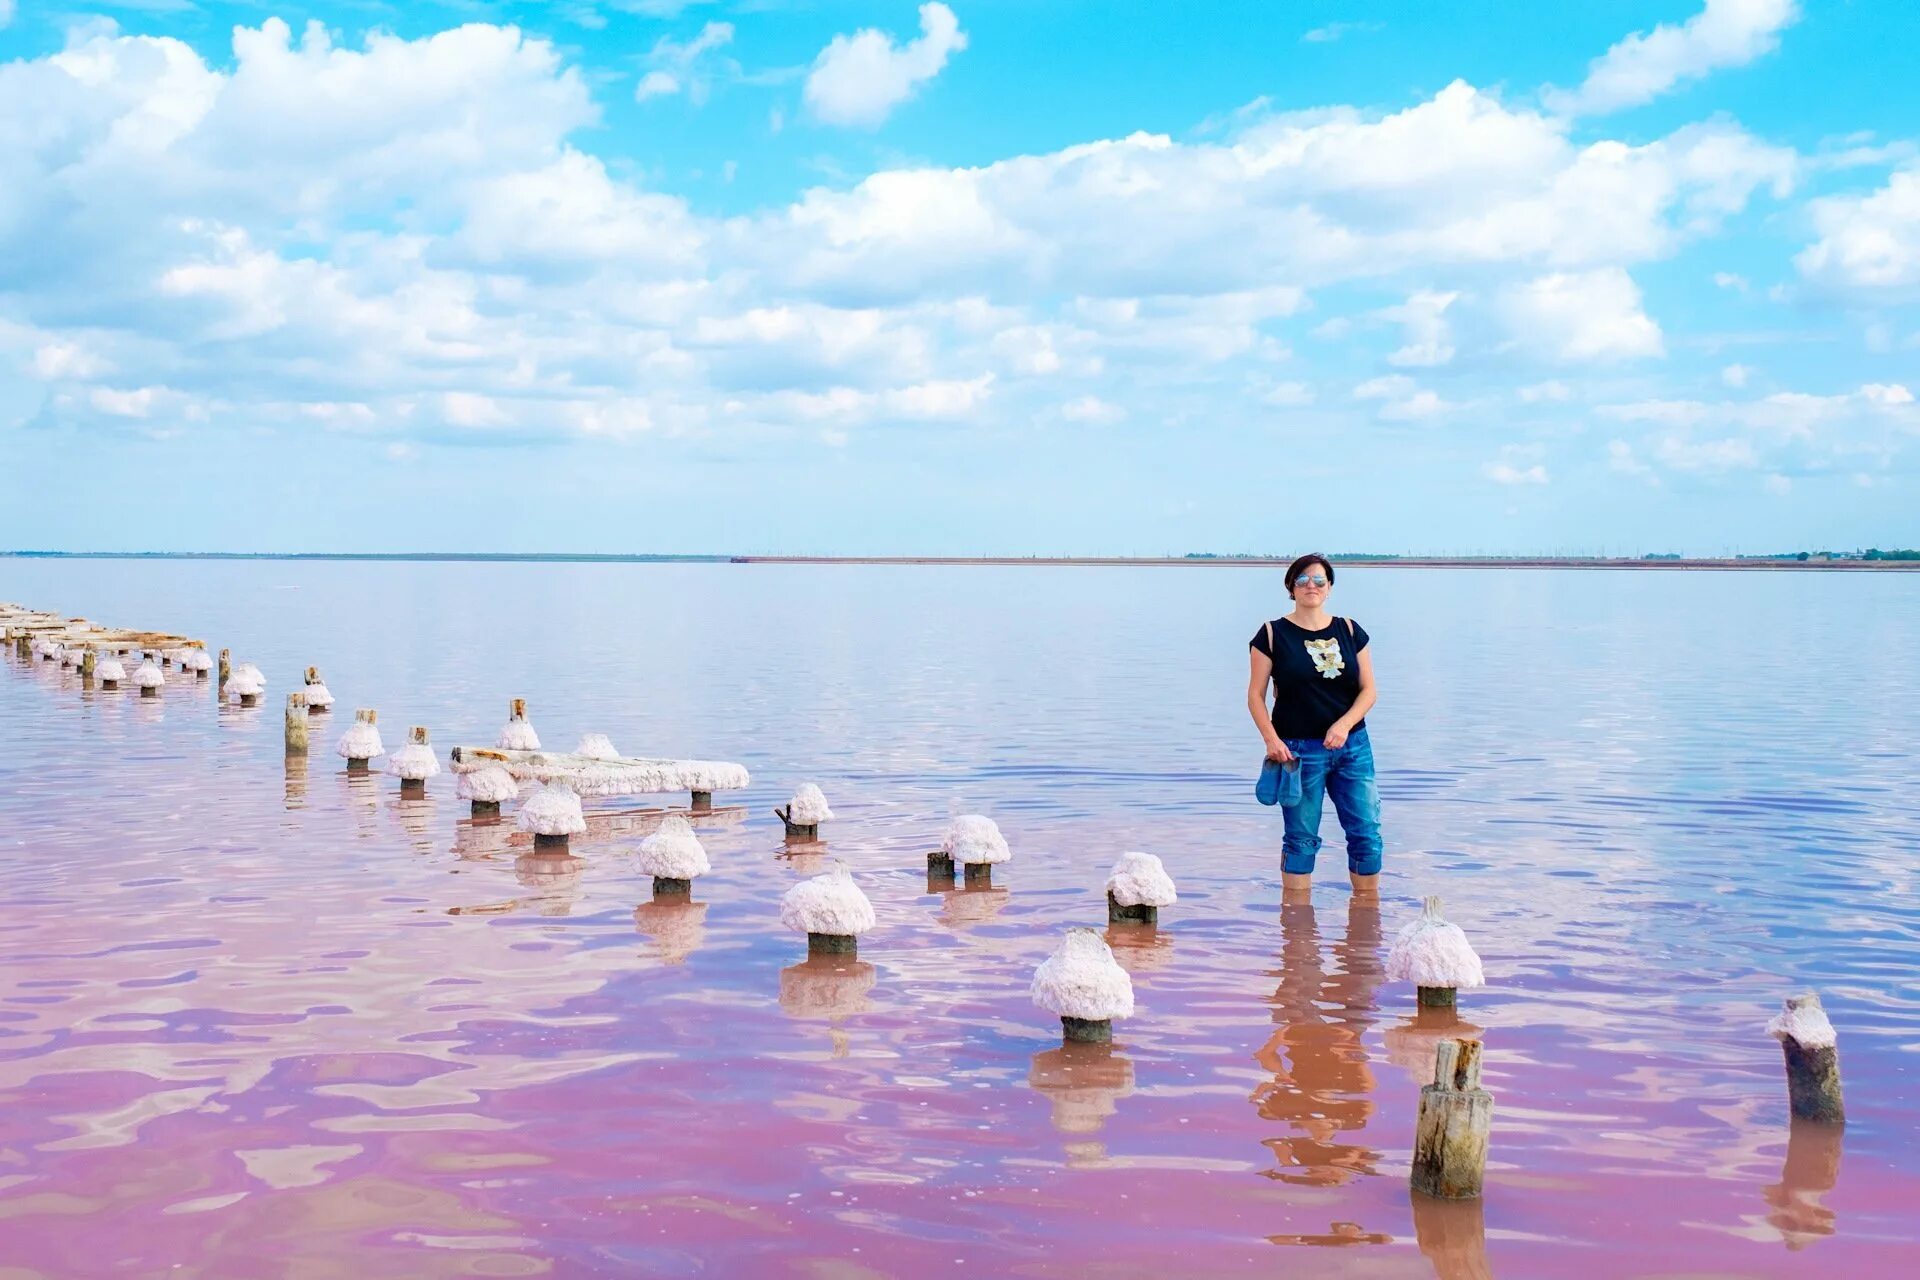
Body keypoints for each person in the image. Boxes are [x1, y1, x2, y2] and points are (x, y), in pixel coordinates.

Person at [1246, 553, 1380, 899]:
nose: (1311, 586)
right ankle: (1296, 930)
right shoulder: (1272, 635)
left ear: (1330, 588)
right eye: (1303, 579)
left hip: (1352, 748)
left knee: (1366, 832)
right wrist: (1271, 740)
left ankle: (1367, 916)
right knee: (1301, 838)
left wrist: (1344, 725)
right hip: (1298, 751)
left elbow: (1369, 691)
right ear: (1291, 586)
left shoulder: (1350, 630)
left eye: (1319, 580)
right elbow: (1255, 697)